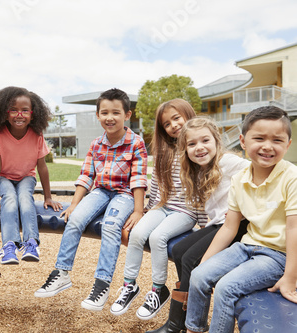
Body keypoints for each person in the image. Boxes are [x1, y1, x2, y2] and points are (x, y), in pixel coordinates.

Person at [34, 88, 148, 312]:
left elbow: (138, 179)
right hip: (101, 191)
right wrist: (74, 205)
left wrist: (138, 210)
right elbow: (86, 175)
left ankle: (101, 284)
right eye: (104, 113)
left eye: (116, 112)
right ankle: (62, 273)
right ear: (98, 115)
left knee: (111, 225)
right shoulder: (97, 144)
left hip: (124, 194)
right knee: (75, 219)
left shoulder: (136, 143)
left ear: (127, 115)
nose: (110, 118)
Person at [185, 106, 297, 333]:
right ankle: (193, 328)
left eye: (277, 140)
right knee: (198, 275)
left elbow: (294, 229)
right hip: (247, 246)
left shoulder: (291, 177)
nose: (267, 146)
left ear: (288, 144)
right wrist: (206, 262)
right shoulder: (240, 179)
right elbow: (229, 227)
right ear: (243, 141)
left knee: (227, 288)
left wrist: (290, 278)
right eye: (259, 138)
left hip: (278, 255)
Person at [146, 117, 250, 333]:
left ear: (216, 142)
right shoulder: (196, 169)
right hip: (218, 223)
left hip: (238, 224)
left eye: (205, 141)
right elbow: (208, 209)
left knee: (193, 259)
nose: (199, 148)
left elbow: (256, 169)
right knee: (180, 250)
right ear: (185, 149)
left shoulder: (228, 162)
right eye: (192, 144)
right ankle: (184, 312)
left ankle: (181, 324)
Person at [110, 98, 201, 319]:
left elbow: (205, 190)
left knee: (158, 237)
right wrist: (147, 210)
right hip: (163, 207)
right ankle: (129, 285)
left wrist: (207, 224)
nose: (173, 126)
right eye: (167, 124)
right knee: (138, 233)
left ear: (188, 114)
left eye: (176, 118)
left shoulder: (198, 149)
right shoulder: (164, 152)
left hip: (185, 212)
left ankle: (159, 289)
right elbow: (157, 184)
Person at [0, 86, 62, 264]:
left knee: (25, 200)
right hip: (4, 177)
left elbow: (42, 167)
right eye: (13, 110)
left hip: (26, 177)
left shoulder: (36, 135)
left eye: (25, 110)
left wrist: (48, 197)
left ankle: (31, 243)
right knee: (10, 200)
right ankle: (9, 245)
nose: (19, 114)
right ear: (5, 114)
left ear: (33, 115)